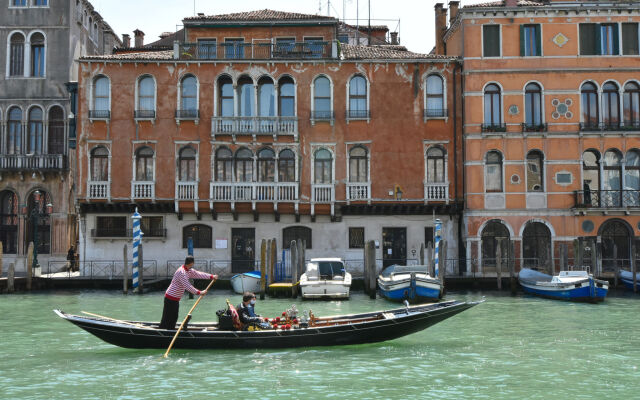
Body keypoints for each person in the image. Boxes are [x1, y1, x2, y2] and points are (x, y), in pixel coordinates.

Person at [159, 256, 217, 330]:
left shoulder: (189, 270)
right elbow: (187, 286)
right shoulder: (181, 272)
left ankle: (170, 330)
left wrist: (211, 276)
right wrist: (200, 292)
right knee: (168, 317)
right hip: (170, 297)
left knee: (174, 317)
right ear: (191, 263)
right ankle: (164, 330)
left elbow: (199, 274)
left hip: (176, 299)